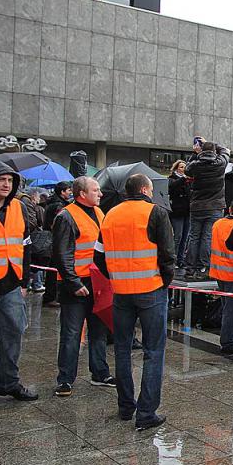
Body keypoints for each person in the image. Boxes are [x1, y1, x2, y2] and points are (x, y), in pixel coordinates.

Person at [94, 174, 175, 430]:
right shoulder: (156, 213)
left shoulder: (109, 215)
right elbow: (168, 255)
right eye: (151, 190)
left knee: (121, 349)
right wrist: (164, 281)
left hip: (121, 291)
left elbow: (99, 258)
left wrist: (117, 276)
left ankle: (125, 406)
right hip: (151, 289)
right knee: (153, 351)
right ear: (144, 189)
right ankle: (147, 413)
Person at [0, 160, 38, 412]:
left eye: (10, 180)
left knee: (14, 335)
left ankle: (7, 382)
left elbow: (25, 245)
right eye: (0, 179)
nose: (6, 184)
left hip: (11, 285)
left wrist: (24, 281)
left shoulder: (18, 207)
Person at [53, 177, 115, 397]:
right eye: (95, 190)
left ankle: (100, 373)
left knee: (98, 331)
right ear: (82, 194)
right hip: (76, 284)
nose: (100, 194)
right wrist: (73, 283)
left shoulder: (99, 213)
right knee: (71, 333)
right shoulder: (66, 217)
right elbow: (61, 254)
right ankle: (65, 379)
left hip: (96, 281)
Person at [184, 138, 230, 281]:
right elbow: (226, 151)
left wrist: (197, 152)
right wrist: (211, 144)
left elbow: (187, 169)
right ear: (214, 151)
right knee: (207, 238)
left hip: (197, 206)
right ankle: (203, 267)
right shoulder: (220, 164)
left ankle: (190, 269)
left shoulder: (195, 165)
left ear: (202, 151)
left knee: (193, 237)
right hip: (214, 207)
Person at [210, 198, 233, 356]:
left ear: (230, 210)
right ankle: (227, 342)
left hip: (218, 272)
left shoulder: (218, 223)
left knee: (227, 306)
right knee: (231, 310)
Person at [42, 181, 73, 307]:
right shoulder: (59, 206)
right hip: (55, 240)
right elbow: (57, 225)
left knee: (51, 270)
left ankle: (50, 296)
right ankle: (51, 297)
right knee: (54, 271)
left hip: (50, 239)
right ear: (62, 192)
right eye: (68, 190)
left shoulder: (51, 203)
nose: (70, 192)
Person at [168, 160, 191, 269]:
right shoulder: (172, 179)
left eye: (184, 167)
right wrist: (183, 179)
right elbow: (172, 188)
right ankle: (173, 259)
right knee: (178, 236)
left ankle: (180, 259)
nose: (183, 169)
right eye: (181, 167)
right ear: (176, 168)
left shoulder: (188, 181)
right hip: (177, 212)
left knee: (185, 238)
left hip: (187, 211)